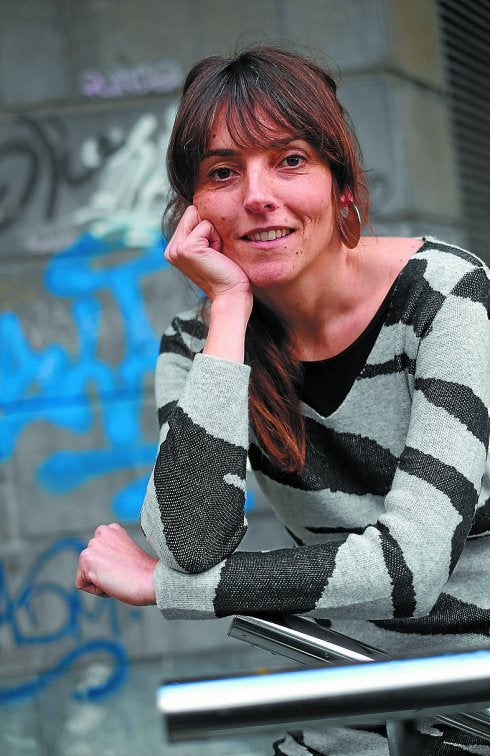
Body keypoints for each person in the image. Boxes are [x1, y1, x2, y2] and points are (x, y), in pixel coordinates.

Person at [75, 47, 490, 755]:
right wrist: (229, 310)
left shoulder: (447, 296)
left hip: (475, 696)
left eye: (290, 160)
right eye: (222, 172)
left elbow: (411, 569)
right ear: (193, 210)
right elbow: (191, 543)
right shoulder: (198, 347)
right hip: (350, 696)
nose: (257, 195)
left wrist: (166, 590)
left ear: (340, 184)